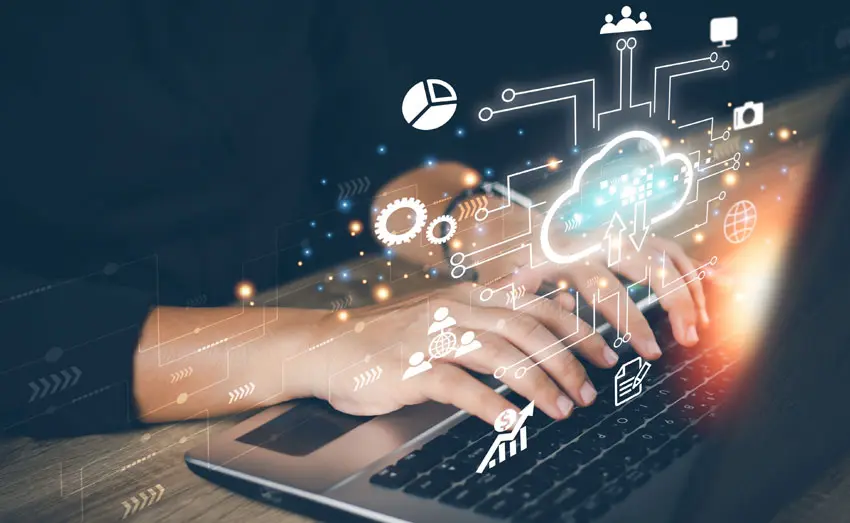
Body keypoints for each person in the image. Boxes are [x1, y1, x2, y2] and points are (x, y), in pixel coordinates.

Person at [0, 3, 706, 440]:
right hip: (92, 433)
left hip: (317, 346)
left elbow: (376, 156)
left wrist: (498, 232)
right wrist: (317, 346)